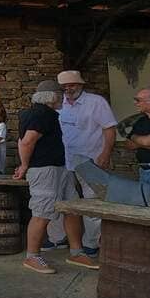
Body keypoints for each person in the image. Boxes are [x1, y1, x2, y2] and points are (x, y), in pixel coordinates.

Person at [14, 80, 100, 274]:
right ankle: (32, 256)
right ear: (52, 97)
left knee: (72, 208)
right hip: (45, 170)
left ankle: (77, 252)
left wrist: (24, 164)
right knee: (42, 211)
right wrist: (25, 165)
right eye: (60, 95)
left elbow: (21, 141)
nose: (63, 98)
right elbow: (27, 142)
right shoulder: (43, 114)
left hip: (58, 168)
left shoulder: (37, 113)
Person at [46, 70, 117, 257]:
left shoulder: (96, 102)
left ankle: (91, 244)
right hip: (62, 159)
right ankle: (57, 238)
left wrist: (106, 153)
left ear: (80, 85)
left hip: (90, 159)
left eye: (72, 85)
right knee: (60, 200)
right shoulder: (57, 105)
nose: (68, 89)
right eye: (64, 86)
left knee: (92, 202)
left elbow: (109, 129)